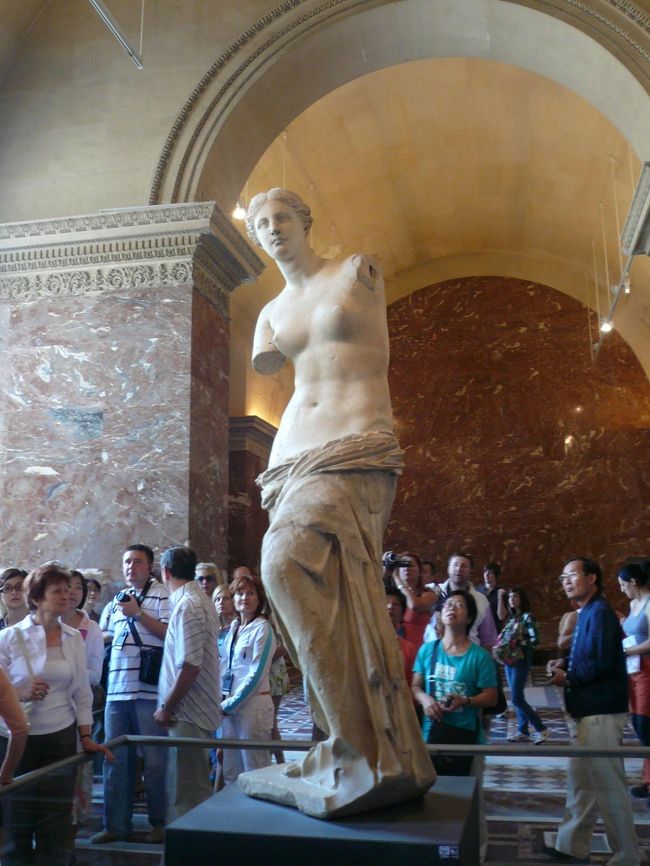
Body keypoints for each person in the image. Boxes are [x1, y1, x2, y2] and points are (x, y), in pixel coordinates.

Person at [240, 188, 435, 817]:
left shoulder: (355, 272)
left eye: (282, 217)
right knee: (306, 591)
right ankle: (353, 744)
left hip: (356, 447)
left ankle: (361, 746)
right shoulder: (270, 311)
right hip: (291, 459)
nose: (272, 228)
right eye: (261, 223)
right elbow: (274, 366)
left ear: (306, 223)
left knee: (283, 564)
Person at [0, 564, 112, 866]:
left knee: (56, 827)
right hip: (16, 742)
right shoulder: (9, 638)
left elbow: (82, 692)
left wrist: (85, 735)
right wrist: (19, 691)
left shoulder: (73, 638)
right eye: (58, 591)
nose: (67, 595)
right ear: (37, 598)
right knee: (17, 827)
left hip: (60, 738)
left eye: (68, 589)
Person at [544, 557, 640, 865]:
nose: (566, 582)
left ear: (592, 578)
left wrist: (569, 677)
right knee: (582, 782)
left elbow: (600, 662)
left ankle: (627, 854)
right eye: (563, 577)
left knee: (608, 784)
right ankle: (571, 842)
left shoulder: (599, 613)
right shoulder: (588, 611)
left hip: (601, 710)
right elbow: (588, 655)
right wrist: (565, 663)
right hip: (589, 710)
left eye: (572, 575)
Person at [91, 544, 169, 845]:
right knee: (115, 759)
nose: (130, 567)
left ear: (149, 567)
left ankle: (159, 822)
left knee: (155, 761)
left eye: (137, 562)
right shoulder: (116, 600)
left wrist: (138, 614)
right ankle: (115, 825)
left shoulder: (162, 594)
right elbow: (107, 635)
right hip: (117, 691)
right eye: (126, 562)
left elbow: (170, 634)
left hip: (148, 692)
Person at [412, 589, 497, 862]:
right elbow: (415, 686)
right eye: (448, 604)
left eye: (459, 605)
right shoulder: (428, 650)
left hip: (467, 738)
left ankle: (475, 855)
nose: (452, 608)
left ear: (469, 617)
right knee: (434, 798)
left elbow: (491, 696)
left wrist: (466, 700)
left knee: (471, 801)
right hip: (431, 735)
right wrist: (426, 700)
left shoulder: (479, 656)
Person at [154, 546, 221, 820]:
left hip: (188, 712)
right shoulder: (196, 600)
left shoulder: (188, 605)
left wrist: (167, 707)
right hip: (191, 710)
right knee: (187, 787)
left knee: (187, 794)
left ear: (165, 572)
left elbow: (190, 665)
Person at [220, 573, 275, 783]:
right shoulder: (234, 627)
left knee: (255, 770)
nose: (245, 597)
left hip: (254, 706)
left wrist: (231, 703)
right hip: (229, 706)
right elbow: (226, 665)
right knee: (231, 768)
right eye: (240, 593)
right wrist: (222, 699)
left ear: (259, 599)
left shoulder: (262, 628)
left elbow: (256, 673)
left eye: (250, 593)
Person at [495, 587, 549, 744]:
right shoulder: (513, 618)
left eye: (515, 597)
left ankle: (541, 728)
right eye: (510, 597)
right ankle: (522, 730)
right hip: (509, 661)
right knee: (516, 696)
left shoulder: (527, 618)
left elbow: (535, 640)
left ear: (522, 599)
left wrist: (519, 642)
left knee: (517, 698)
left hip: (521, 660)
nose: (512, 600)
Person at [618, 560, 650, 802]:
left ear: (633, 582)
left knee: (644, 725)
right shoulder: (632, 604)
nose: (621, 589)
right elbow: (631, 630)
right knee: (640, 725)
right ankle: (648, 781)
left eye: (623, 584)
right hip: (634, 670)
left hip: (647, 669)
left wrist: (628, 651)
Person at [428, 553, 498, 649]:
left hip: (468, 654)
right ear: (448, 569)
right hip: (433, 651)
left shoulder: (481, 600)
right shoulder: (431, 592)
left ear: (470, 571)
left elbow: (488, 639)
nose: (458, 569)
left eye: (464, 566)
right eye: (455, 565)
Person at [391, 551, 439, 649]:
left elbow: (414, 605)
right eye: (403, 565)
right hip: (393, 645)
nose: (407, 568)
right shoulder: (392, 595)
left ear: (420, 571)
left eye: (411, 565)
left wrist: (397, 579)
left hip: (417, 647)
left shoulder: (429, 594)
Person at [385, 585, 417, 686]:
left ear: (402, 614)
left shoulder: (409, 648)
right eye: (385, 602)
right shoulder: (365, 642)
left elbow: (410, 684)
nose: (390, 607)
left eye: (396, 604)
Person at [479, 562, 508, 632]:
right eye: (485, 572)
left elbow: (502, 616)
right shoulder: (477, 591)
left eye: (490, 573)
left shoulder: (501, 593)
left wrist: (500, 597)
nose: (486, 575)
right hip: (478, 630)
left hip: (494, 630)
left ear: (496, 575)